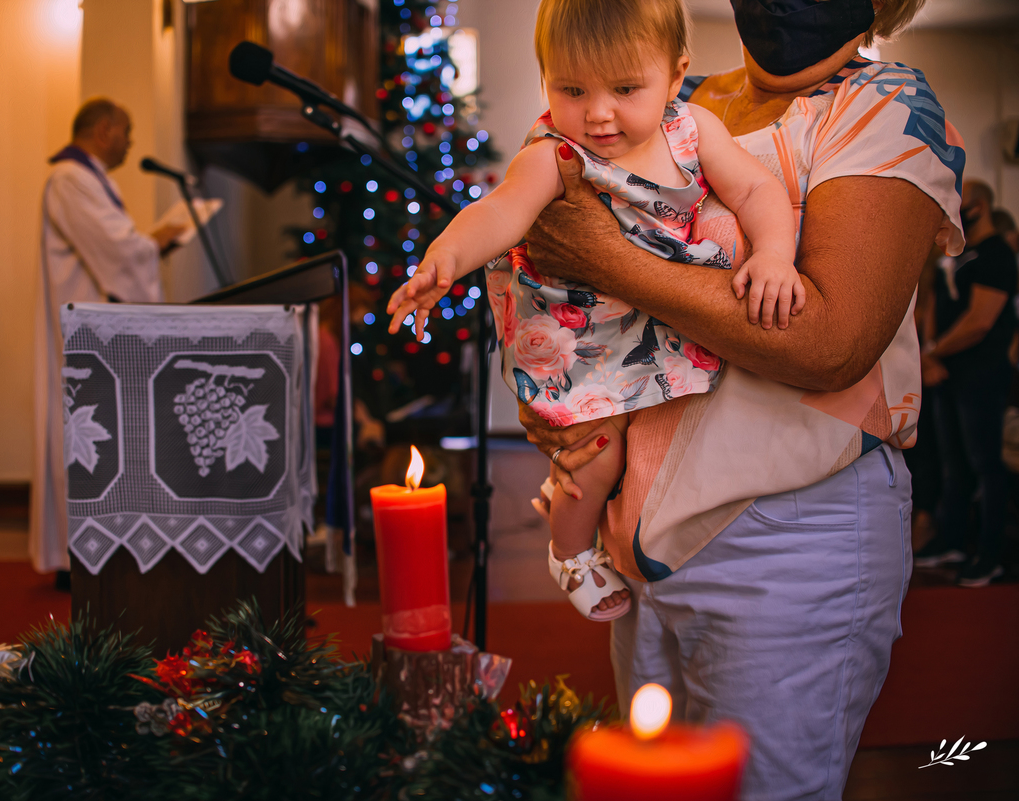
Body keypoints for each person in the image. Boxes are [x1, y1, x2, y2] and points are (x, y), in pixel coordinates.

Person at [515, 0, 962, 797]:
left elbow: (831, 340)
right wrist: (555, 391)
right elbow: (551, 262)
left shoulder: (885, 105)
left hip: (787, 529)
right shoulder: (674, 97)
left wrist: (607, 258)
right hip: (641, 532)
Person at [387, 0, 804, 622]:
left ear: (675, 72)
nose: (598, 111)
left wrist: (773, 253)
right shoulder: (556, 152)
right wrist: (442, 260)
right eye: (571, 88)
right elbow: (500, 213)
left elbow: (755, 189)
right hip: (581, 333)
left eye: (626, 88)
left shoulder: (694, 130)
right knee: (600, 448)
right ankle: (570, 549)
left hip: (661, 311)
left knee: (659, 443)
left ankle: (571, 501)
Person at [31, 98, 186, 582]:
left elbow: (115, 247)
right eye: (127, 131)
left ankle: (99, 548)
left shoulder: (87, 179)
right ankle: (73, 556)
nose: (131, 141)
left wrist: (147, 245)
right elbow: (118, 248)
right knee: (79, 432)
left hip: (96, 327)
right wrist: (156, 240)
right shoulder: (69, 179)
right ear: (103, 131)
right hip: (78, 332)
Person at [914, 180, 1017, 586]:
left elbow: (979, 321)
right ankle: (952, 540)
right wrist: (928, 353)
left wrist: (934, 351)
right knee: (952, 462)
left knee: (985, 463)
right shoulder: (956, 255)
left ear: (978, 205)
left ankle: (990, 555)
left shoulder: (996, 255)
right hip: (948, 373)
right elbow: (935, 303)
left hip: (983, 373)